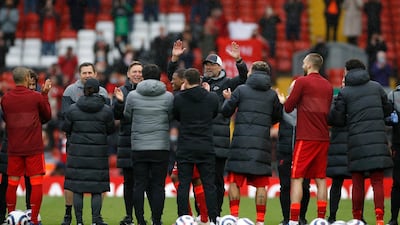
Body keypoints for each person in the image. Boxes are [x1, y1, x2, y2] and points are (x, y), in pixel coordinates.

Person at [329, 59, 392, 225]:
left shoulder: (345, 92)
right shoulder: (377, 87)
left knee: (358, 183)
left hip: (356, 142)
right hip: (377, 140)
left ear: (348, 72)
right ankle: (379, 219)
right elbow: (387, 110)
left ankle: (357, 219)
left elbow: (338, 119)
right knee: (377, 182)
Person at [221, 61, 282, 225]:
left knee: (234, 181)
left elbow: (226, 111)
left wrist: (228, 99)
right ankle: (260, 221)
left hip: (240, 142)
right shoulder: (272, 95)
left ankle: (233, 217)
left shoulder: (241, 90)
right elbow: (277, 117)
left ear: (252, 72)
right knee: (261, 184)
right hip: (262, 144)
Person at [278, 53, 333, 224]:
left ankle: (293, 219)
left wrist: (283, 100)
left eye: (303, 62)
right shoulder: (328, 85)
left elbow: (288, 108)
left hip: (305, 137)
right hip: (323, 137)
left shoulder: (302, 82)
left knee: (297, 177)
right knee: (321, 179)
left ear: (309, 65)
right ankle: (321, 218)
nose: (302, 64)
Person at [201, 42, 248, 220]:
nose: (208, 68)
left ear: (219, 66)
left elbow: (243, 78)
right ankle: (203, 214)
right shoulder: (200, 82)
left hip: (219, 139)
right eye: (206, 65)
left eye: (212, 65)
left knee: (218, 180)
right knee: (203, 180)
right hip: (203, 138)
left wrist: (239, 60)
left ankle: (217, 213)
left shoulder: (228, 83)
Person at [123, 64, 174, 225]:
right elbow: (172, 116)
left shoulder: (132, 95)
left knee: (139, 185)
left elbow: (127, 115)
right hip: (160, 147)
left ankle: (140, 220)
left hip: (139, 147)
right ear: (160, 77)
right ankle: (157, 220)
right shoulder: (168, 97)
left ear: (143, 76)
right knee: (158, 186)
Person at [1, 67, 52, 225]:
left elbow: (7, 118)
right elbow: (47, 115)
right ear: (25, 79)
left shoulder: (5, 99)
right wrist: (44, 94)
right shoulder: (35, 97)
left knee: (12, 183)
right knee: (36, 184)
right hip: (33, 147)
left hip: (14, 148)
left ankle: (11, 216)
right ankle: (34, 219)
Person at [61, 62, 110, 225]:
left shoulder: (74, 108)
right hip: (98, 151)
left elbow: (65, 124)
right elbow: (109, 127)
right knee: (97, 188)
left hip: (77, 149)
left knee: (77, 187)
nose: (87, 75)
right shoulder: (103, 104)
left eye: (90, 72)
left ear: (95, 74)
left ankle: (79, 221)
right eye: (85, 72)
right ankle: (96, 220)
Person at [173, 68, 219, 225]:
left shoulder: (179, 99)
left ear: (185, 81)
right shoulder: (212, 97)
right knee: (209, 185)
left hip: (186, 146)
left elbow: (176, 116)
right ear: (200, 81)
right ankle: (213, 219)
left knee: (183, 184)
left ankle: (183, 218)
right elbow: (214, 113)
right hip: (206, 145)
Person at [113, 61, 143, 225]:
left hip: (145, 142)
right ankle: (129, 215)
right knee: (129, 182)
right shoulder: (121, 91)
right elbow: (116, 116)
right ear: (129, 74)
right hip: (127, 142)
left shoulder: (148, 91)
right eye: (135, 71)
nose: (138, 74)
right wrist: (119, 102)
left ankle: (141, 216)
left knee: (143, 182)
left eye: (140, 71)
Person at [277, 80, 310, 225]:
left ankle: (301, 218)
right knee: (285, 186)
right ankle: (286, 219)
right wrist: (279, 105)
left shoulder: (308, 110)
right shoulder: (282, 108)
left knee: (305, 186)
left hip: (304, 153)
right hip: (285, 152)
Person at [387, 85, 400, 225]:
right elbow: (387, 119)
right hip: (398, 144)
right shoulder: (394, 95)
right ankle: (394, 219)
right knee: (397, 182)